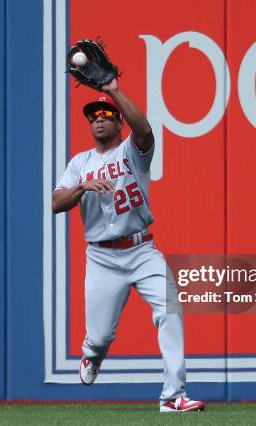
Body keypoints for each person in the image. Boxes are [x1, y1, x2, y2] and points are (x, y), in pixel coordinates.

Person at [52, 78, 205, 413]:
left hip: (141, 249)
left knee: (170, 309)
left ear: (119, 120)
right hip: (102, 256)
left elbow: (146, 130)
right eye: (93, 116)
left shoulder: (131, 152)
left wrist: (112, 90)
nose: (99, 118)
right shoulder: (80, 163)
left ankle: (173, 396)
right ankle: (93, 352)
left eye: (106, 113)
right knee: (102, 336)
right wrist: (82, 187)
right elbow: (55, 203)